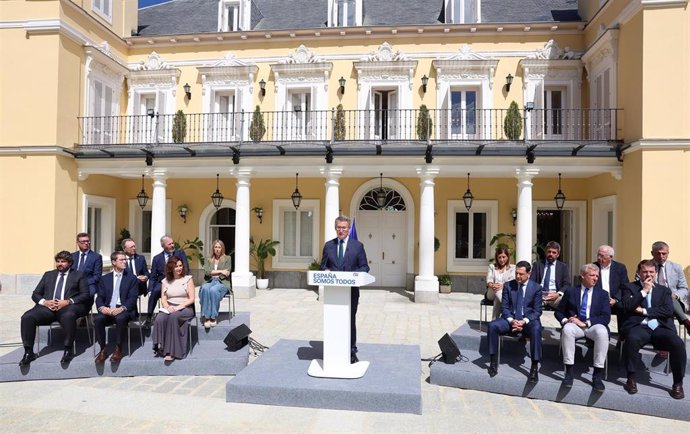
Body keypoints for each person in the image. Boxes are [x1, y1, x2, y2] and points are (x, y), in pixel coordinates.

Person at [620, 260, 685, 399]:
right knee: (632, 339)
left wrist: (643, 311)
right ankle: (631, 378)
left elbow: (667, 311)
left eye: (651, 272)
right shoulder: (629, 287)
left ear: (656, 273)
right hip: (639, 326)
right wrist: (643, 292)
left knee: (678, 343)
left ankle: (678, 383)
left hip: (660, 327)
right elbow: (627, 306)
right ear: (638, 273)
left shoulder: (664, 291)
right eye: (644, 272)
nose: (648, 275)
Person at [19, 251, 90, 366]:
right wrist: (45, 302)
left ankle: (68, 349)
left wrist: (67, 301)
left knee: (68, 316)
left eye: (63, 261)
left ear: (70, 263)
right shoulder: (48, 275)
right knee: (27, 317)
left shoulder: (79, 275)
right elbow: (35, 294)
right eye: (58, 261)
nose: (59, 264)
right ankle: (28, 352)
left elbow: (85, 294)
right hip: (48, 308)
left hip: (68, 307)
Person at [320, 215, 369, 364]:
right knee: (334, 320)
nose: (341, 230)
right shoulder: (328, 246)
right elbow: (323, 265)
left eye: (344, 228)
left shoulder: (357, 246)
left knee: (349, 320)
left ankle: (351, 350)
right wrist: (325, 270)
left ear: (348, 229)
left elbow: (365, 267)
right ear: (335, 228)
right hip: (333, 292)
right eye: (338, 227)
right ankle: (333, 348)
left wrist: (356, 274)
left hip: (351, 291)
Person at [555, 264, 611, 391]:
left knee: (602, 332)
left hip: (592, 326)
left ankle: (597, 375)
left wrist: (586, 323)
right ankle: (569, 372)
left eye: (597, 276)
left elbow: (606, 317)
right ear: (582, 276)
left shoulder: (602, 294)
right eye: (592, 275)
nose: (595, 278)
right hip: (575, 326)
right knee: (567, 329)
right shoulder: (571, 291)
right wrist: (566, 320)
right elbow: (558, 312)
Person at [487, 261, 543, 382]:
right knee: (492, 326)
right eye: (516, 273)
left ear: (529, 273)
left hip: (528, 321)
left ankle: (534, 366)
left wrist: (523, 321)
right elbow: (505, 308)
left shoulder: (536, 288)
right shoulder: (508, 285)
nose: (517, 276)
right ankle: (493, 361)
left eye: (521, 274)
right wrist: (512, 321)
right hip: (510, 319)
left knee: (537, 328)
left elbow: (537, 311)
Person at [93, 251, 138, 364]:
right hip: (108, 308)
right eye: (121, 260)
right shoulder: (105, 278)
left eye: (125, 260)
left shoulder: (131, 278)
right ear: (114, 262)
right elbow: (100, 297)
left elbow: (132, 298)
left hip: (124, 309)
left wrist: (121, 308)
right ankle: (103, 349)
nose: (125, 262)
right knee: (98, 319)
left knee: (120, 318)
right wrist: (102, 308)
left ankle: (118, 348)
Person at [152, 256, 196, 362]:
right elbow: (163, 298)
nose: (179, 268)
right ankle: (161, 347)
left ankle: (171, 352)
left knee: (173, 316)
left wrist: (178, 307)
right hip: (170, 307)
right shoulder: (165, 281)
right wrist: (167, 307)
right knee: (160, 318)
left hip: (185, 307)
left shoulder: (188, 279)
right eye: (176, 266)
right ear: (171, 268)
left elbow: (192, 299)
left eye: (180, 266)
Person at [146, 235, 189, 327]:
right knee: (154, 293)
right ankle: (149, 317)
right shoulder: (157, 258)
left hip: (178, 280)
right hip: (163, 283)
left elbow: (186, 269)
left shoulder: (180, 254)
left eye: (173, 243)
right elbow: (153, 276)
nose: (172, 245)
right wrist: (150, 289)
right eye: (169, 244)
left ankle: (182, 315)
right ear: (163, 246)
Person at [651, 241, 690, 334]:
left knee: (668, 297)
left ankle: (665, 340)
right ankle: (686, 322)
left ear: (668, 253)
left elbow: (684, 288)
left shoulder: (676, 267)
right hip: (653, 299)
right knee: (666, 297)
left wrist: (676, 295)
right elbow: (640, 284)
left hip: (673, 302)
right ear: (652, 253)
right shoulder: (645, 266)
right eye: (658, 253)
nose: (661, 256)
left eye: (664, 254)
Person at [199, 239, 232, 328]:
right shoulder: (208, 259)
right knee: (205, 288)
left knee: (213, 290)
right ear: (213, 248)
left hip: (222, 282)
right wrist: (221, 271)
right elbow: (207, 272)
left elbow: (227, 273)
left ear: (222, 248)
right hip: (209, 281)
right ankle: (206, 317)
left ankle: (213, 317)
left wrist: (213, 272)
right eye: (216, 247)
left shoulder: (227, 258)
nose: (217, 249)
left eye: (219, 247)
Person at [530, 241, 571, 308]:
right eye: (549, 252)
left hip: (555, 296)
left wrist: (558, 294)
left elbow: (567, 284)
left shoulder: (563, 267)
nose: (551, 254)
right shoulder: (537, 265)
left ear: (558, 254)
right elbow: (532, 281)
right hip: (539, 295)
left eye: (554, 252)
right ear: (545, 252)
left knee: (568, 301)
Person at [485, 247, 516, 320]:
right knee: (497, 290)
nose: (502, 259)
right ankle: (509, 308)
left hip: (503, 293)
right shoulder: (492, 267)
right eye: (499, 257)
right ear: (497, 258)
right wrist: (492, 285)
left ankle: (494, 322)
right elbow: (489, 280)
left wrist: (503, 286)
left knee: (497, 300)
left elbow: (511, 281)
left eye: (504, 257)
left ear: (507, 257)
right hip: (491, 292)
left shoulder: (512, 267)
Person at [71, 232, 103, 298]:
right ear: (78, 243)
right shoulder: (72, 256)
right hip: (73, 284)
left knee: (86, 296)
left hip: (89, 284)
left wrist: (83, 283)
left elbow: (97, 276)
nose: (86, 243)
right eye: (83, 241)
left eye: (87, 241)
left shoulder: (96, 257)